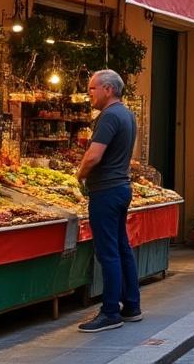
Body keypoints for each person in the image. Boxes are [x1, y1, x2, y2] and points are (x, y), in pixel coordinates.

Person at [76, 70, 140, 332]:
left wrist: (79, 175)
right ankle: (132, 305)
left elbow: (94, 155)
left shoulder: (109, 116)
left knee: (108, 252)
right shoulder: (127, 114)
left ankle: (110, 311)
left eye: (92, 89)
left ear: (108, 89)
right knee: (122, 247)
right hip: (120, 187)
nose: (89, 93)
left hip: (106, 190)